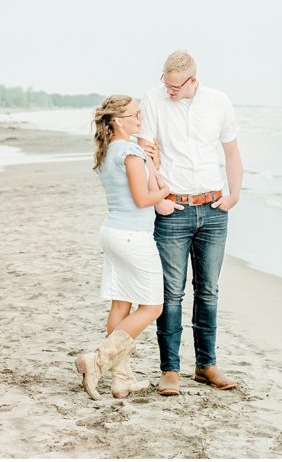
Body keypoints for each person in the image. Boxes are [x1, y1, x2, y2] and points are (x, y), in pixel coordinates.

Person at [138, 49, 244, 397]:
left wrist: (234, 195)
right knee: (171, 293)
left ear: (193, 81)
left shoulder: (218, 102)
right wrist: (160, 198)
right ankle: (170, 370)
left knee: (209, 291)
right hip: (174, 210)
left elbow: (231, 152)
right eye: (165, 84)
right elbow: (145, 152)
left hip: (213, 208)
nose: (169, 90)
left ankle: (206, 365)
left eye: (175, 86)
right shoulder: (153, 101)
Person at [76, 95, 170, 400]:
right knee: (153, 306)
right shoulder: (130, 152)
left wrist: (150, 164)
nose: (140, 119)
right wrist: (166, 188)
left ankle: (122, 380)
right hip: (133, 237)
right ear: (118, 120)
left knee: (121, 304)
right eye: (135, 115)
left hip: (113, 233)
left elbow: (137, 192)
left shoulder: (108, 151)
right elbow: (144, 199)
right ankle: (98, 359)